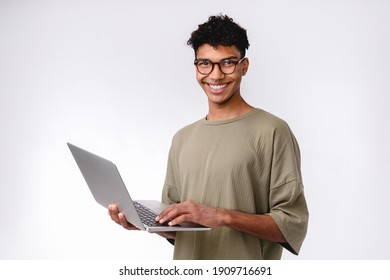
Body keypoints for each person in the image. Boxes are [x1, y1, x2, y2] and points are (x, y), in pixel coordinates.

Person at [108, 14, 308, 260]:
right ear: (196, 67)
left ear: (244, 66)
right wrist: (142, 223)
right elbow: (178, 228)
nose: (215, 75)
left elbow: (292, 224)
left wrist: (222, 216)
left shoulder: (273, 131)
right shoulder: (182, 138)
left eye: (227, 63)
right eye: (205, 63)